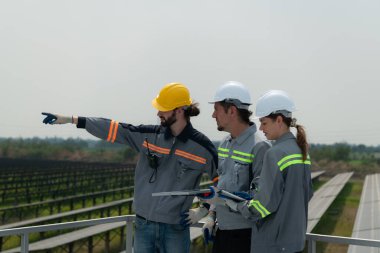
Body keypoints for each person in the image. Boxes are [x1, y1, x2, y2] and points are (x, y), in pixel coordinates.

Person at [42, 82, 218, 253]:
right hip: (144, 226)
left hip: (175, 229)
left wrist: (205, 211)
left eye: (163, 108)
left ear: (179, 110)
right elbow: (115, 129)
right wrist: (73, 120)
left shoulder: (202, 148)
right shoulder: (148, 136)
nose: (158, 113)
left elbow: (223, 184)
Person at [201, 90, 313, 253]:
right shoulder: (301, 151)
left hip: (273, 243)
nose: (260, 128)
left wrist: (230, 202)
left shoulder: (275, 153)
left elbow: (261, 207)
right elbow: (307, 193)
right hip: (294, 242)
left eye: (264, 122)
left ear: (279, 120)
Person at [181, 81, 270, 253]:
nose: (213, 115)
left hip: (246, 237)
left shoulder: (260, 147)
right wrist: (210, 215)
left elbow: (259, 201)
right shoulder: (225, 144)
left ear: (232, 111)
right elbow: (222, 186)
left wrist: (223, 201)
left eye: (216, 109)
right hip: (222, 233)